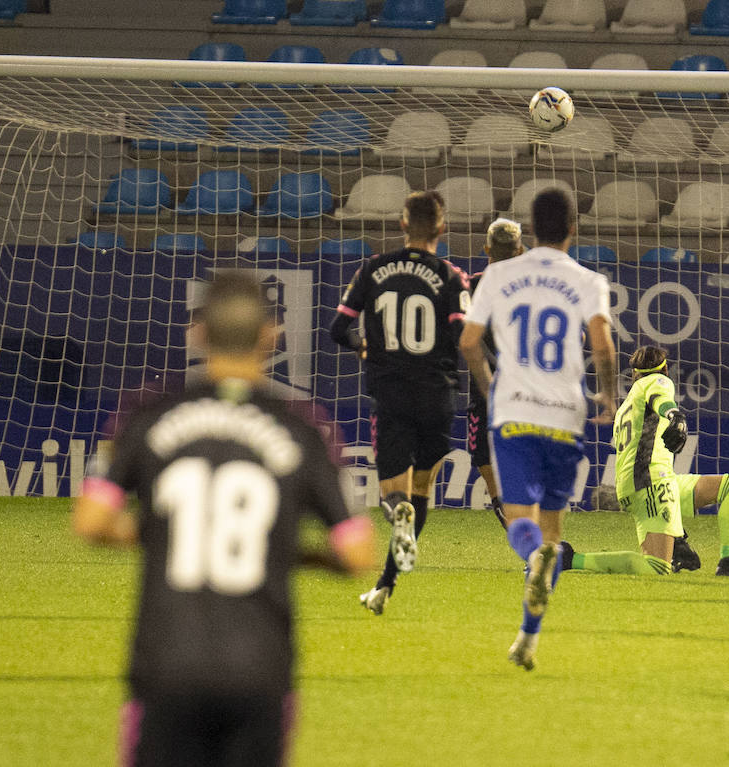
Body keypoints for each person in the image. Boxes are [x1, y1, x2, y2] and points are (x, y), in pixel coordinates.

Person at [72, 270, 374, 767]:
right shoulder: (304, 427)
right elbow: (357, 551)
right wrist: (287, 549)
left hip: (166, 662)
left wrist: (159, 532)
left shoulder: (148, 414)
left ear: (199, 333)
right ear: (269, 337)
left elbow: (90, 521)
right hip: (260, 669)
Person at [460, 189, 618, 670]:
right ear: (574, 227)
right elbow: (603, 347)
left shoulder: (498, 275)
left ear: (530, 228)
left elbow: (468, 343)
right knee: (553, 531)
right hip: (564, 415)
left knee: (520, 523)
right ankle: (528, 639)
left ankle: (533, 558)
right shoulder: (590, 281)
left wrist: (490, 390)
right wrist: (608, 397)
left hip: (514, 413)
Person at [329, 191, 470, 616]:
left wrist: (362, 346)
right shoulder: (451, 276)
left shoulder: (373, 270)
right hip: (437, 394)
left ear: (403, 224)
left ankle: (397, 517)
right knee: (422, 490)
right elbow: (464, 335)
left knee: (395, 496)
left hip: (390, 392)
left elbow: (339, 327)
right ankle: (384, 586)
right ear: (442, 228)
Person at [566, 345, 729, 579]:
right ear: (665, 368)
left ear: (634, 373)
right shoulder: (657, 381)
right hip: (651, 485)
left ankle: (728, 561)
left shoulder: (629, 402)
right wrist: (674, 415)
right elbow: (661, 399)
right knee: (656, 567)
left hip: (659, 481)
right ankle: (569, 558)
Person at [467, 217, 524, 528]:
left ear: (486, 247)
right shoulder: (534, 285)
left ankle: (502, 502)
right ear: (519, 251)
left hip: (485, 387)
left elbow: (462, 337)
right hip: (528, 387)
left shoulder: (471, 285)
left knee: (484, 456)